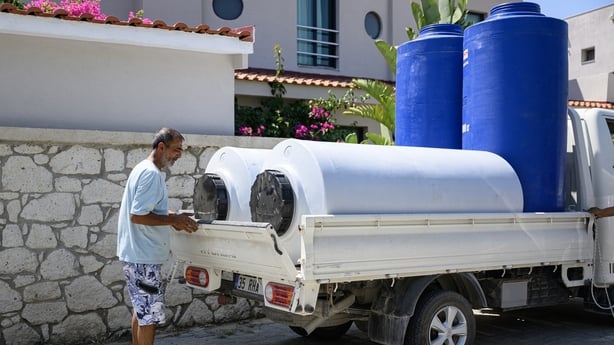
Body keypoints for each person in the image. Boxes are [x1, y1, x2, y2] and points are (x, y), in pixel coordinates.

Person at [117, 128, 199, 345]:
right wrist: (174, 221)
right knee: (149, 317)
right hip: (143, 259)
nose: (179, 155)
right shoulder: (151, 174)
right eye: (176, 149)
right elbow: (138, 215)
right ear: (161, 146)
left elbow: (147, 210)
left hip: (135, 255)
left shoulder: (142, 169)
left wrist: (175, 216)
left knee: (142, 311)